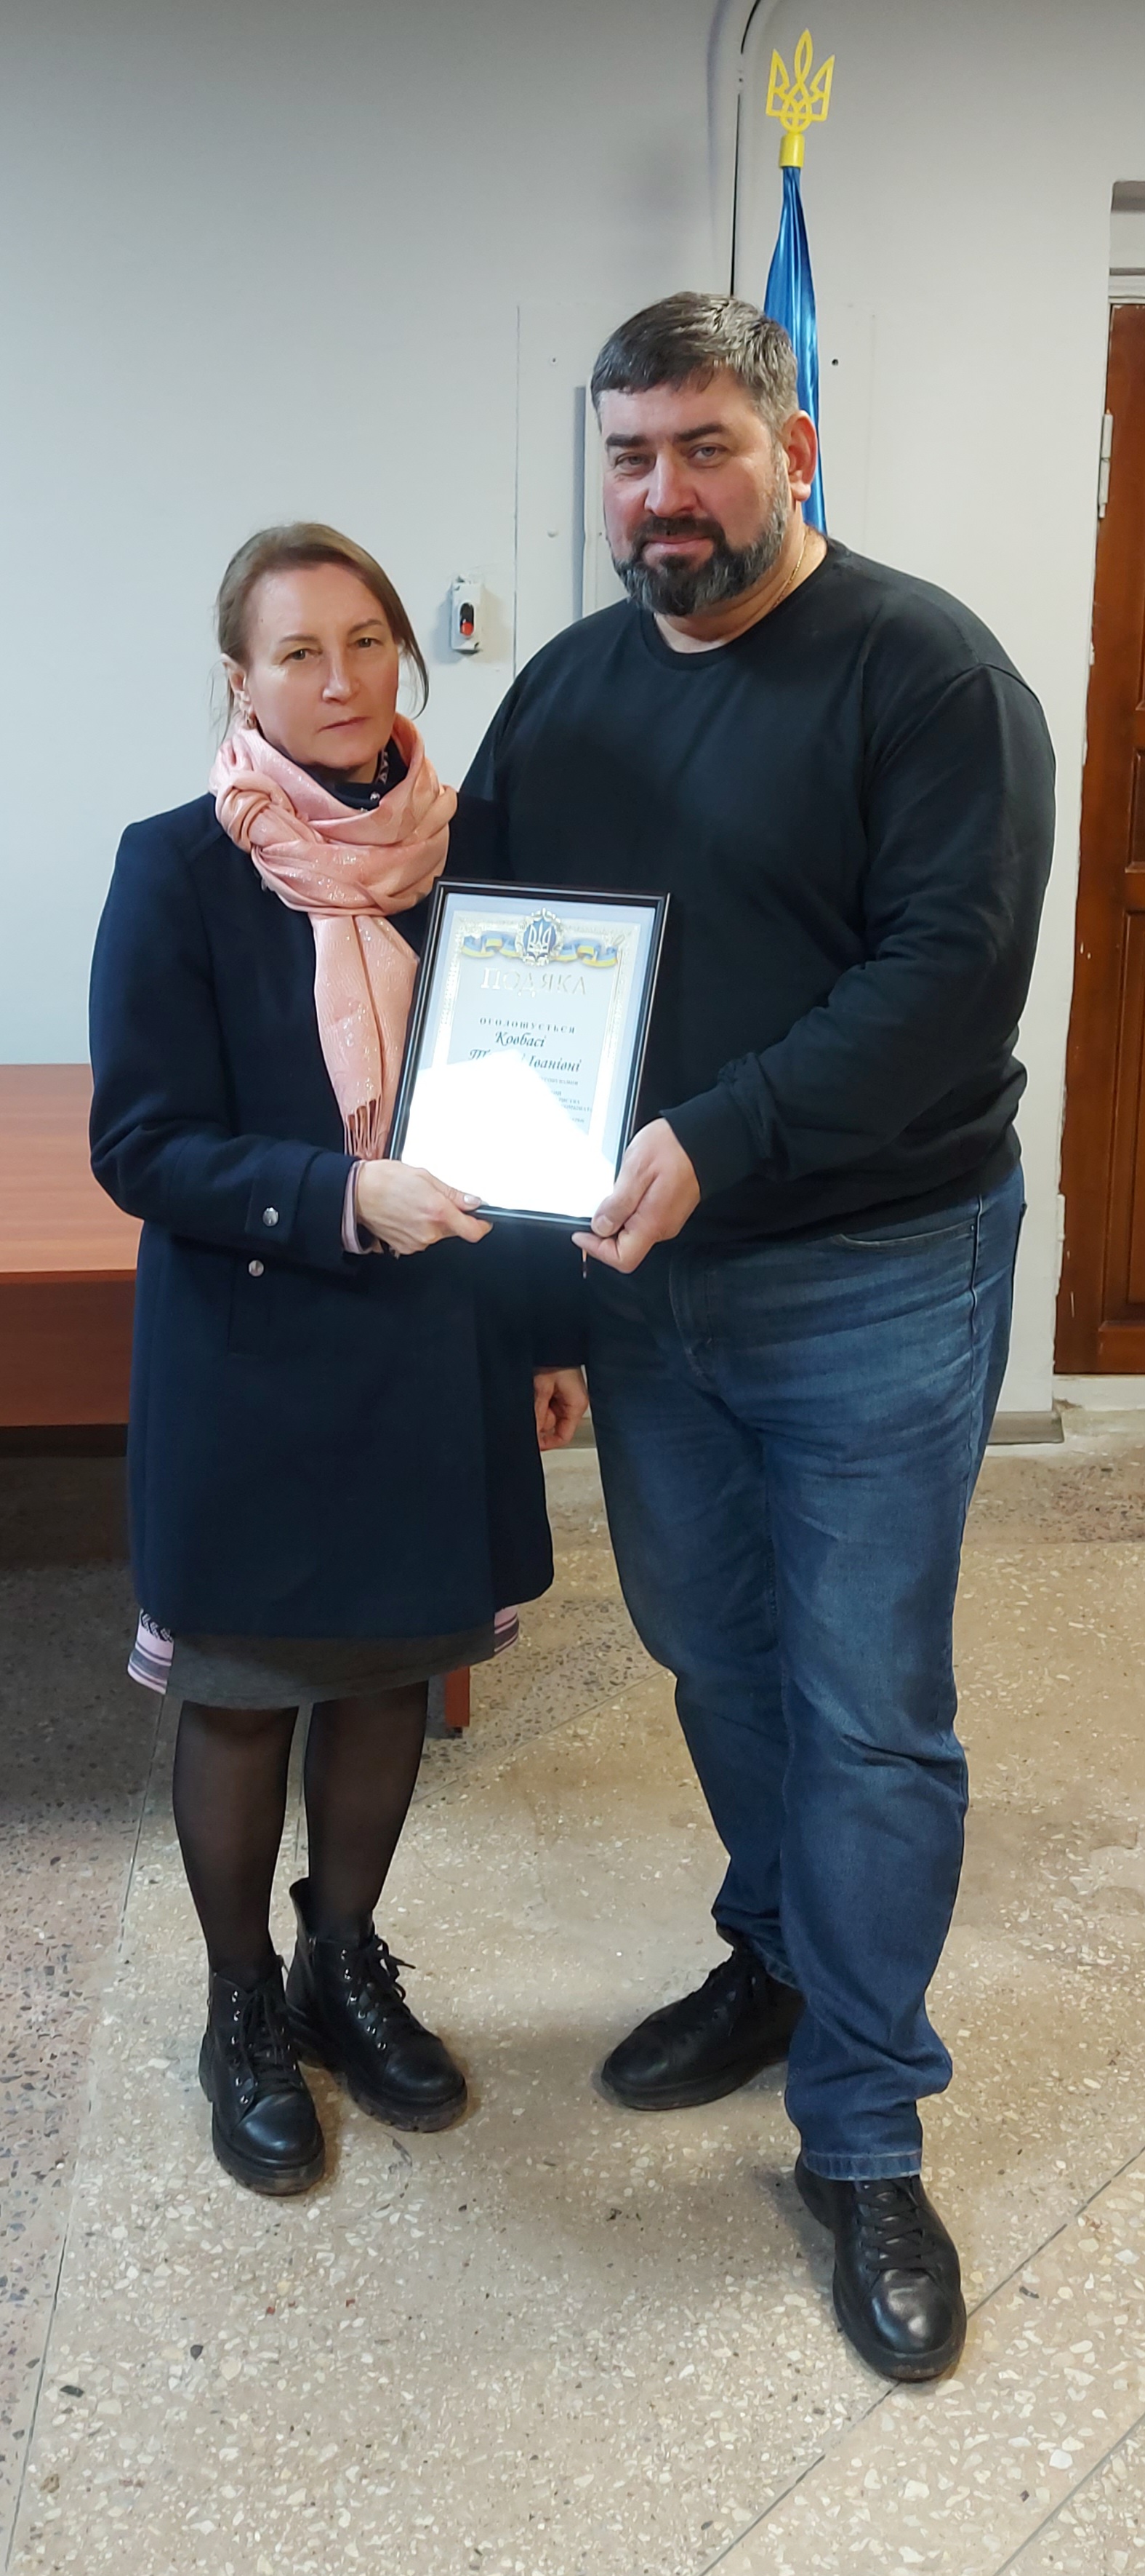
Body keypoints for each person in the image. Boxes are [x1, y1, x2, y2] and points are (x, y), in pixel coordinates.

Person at [452, 295, 1055, 2381]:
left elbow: (947, 977)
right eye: (629, 455)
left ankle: (867, 2128)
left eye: (705, 445)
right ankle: (780, 1946)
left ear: (792, 445)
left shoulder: (926, 672)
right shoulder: (569, 686)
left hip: (874, 1265)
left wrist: (718, 1135)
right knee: (710, 1650)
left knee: (867, 1705)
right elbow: (494, 947)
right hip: (646, 1280)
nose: (663, 494)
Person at [89, 522, 587, 2198]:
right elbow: (141, 1144)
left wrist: (548, 1331)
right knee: (243, 1696)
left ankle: (339, 1957)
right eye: (297, 650)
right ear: (240, 680)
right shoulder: (176, 866)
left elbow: (530, 1110)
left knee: (388, 1672)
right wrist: (338, 1195)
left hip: (437, 1338)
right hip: (253, 1345)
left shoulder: (474, 854)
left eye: (365, 640)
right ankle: (241, 2005)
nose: (339, 677)